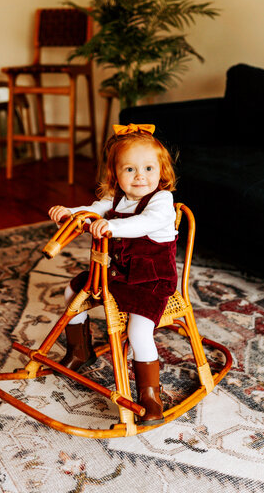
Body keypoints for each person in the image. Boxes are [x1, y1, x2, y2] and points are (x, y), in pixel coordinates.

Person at [48, 123, 178, 425]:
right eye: (129, 169)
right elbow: (93, 210)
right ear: (115, 174)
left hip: (151, 282)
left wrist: (113, 227)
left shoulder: (161, 201)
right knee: (72, 292)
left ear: (162, 170)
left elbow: (144, 224)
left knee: (138, 332)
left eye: (148, 168)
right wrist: (70, 212)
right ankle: (81, 350)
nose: (140, 176)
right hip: (117, 275)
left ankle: (149, 395)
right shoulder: (116, 199)